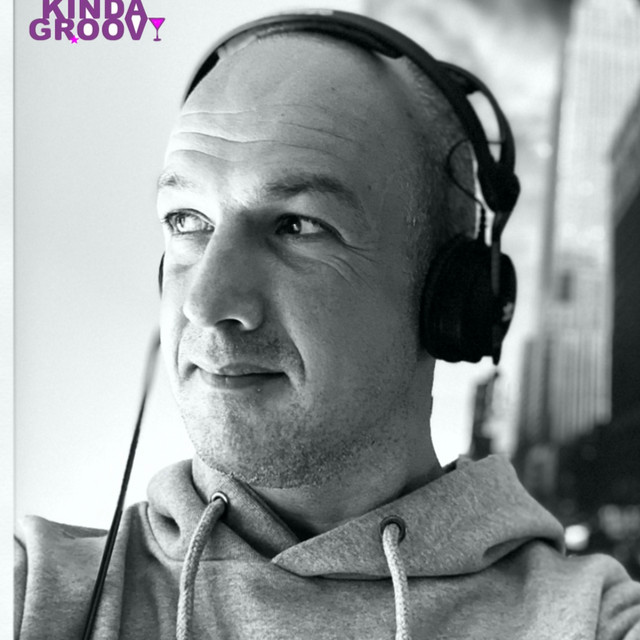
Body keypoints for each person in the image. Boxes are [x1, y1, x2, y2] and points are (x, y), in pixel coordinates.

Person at [14, 11, 640, 640]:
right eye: (186, 220)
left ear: (450, 296)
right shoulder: (33, 590)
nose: (204, 303)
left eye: (297, 225)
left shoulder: (594, 621)